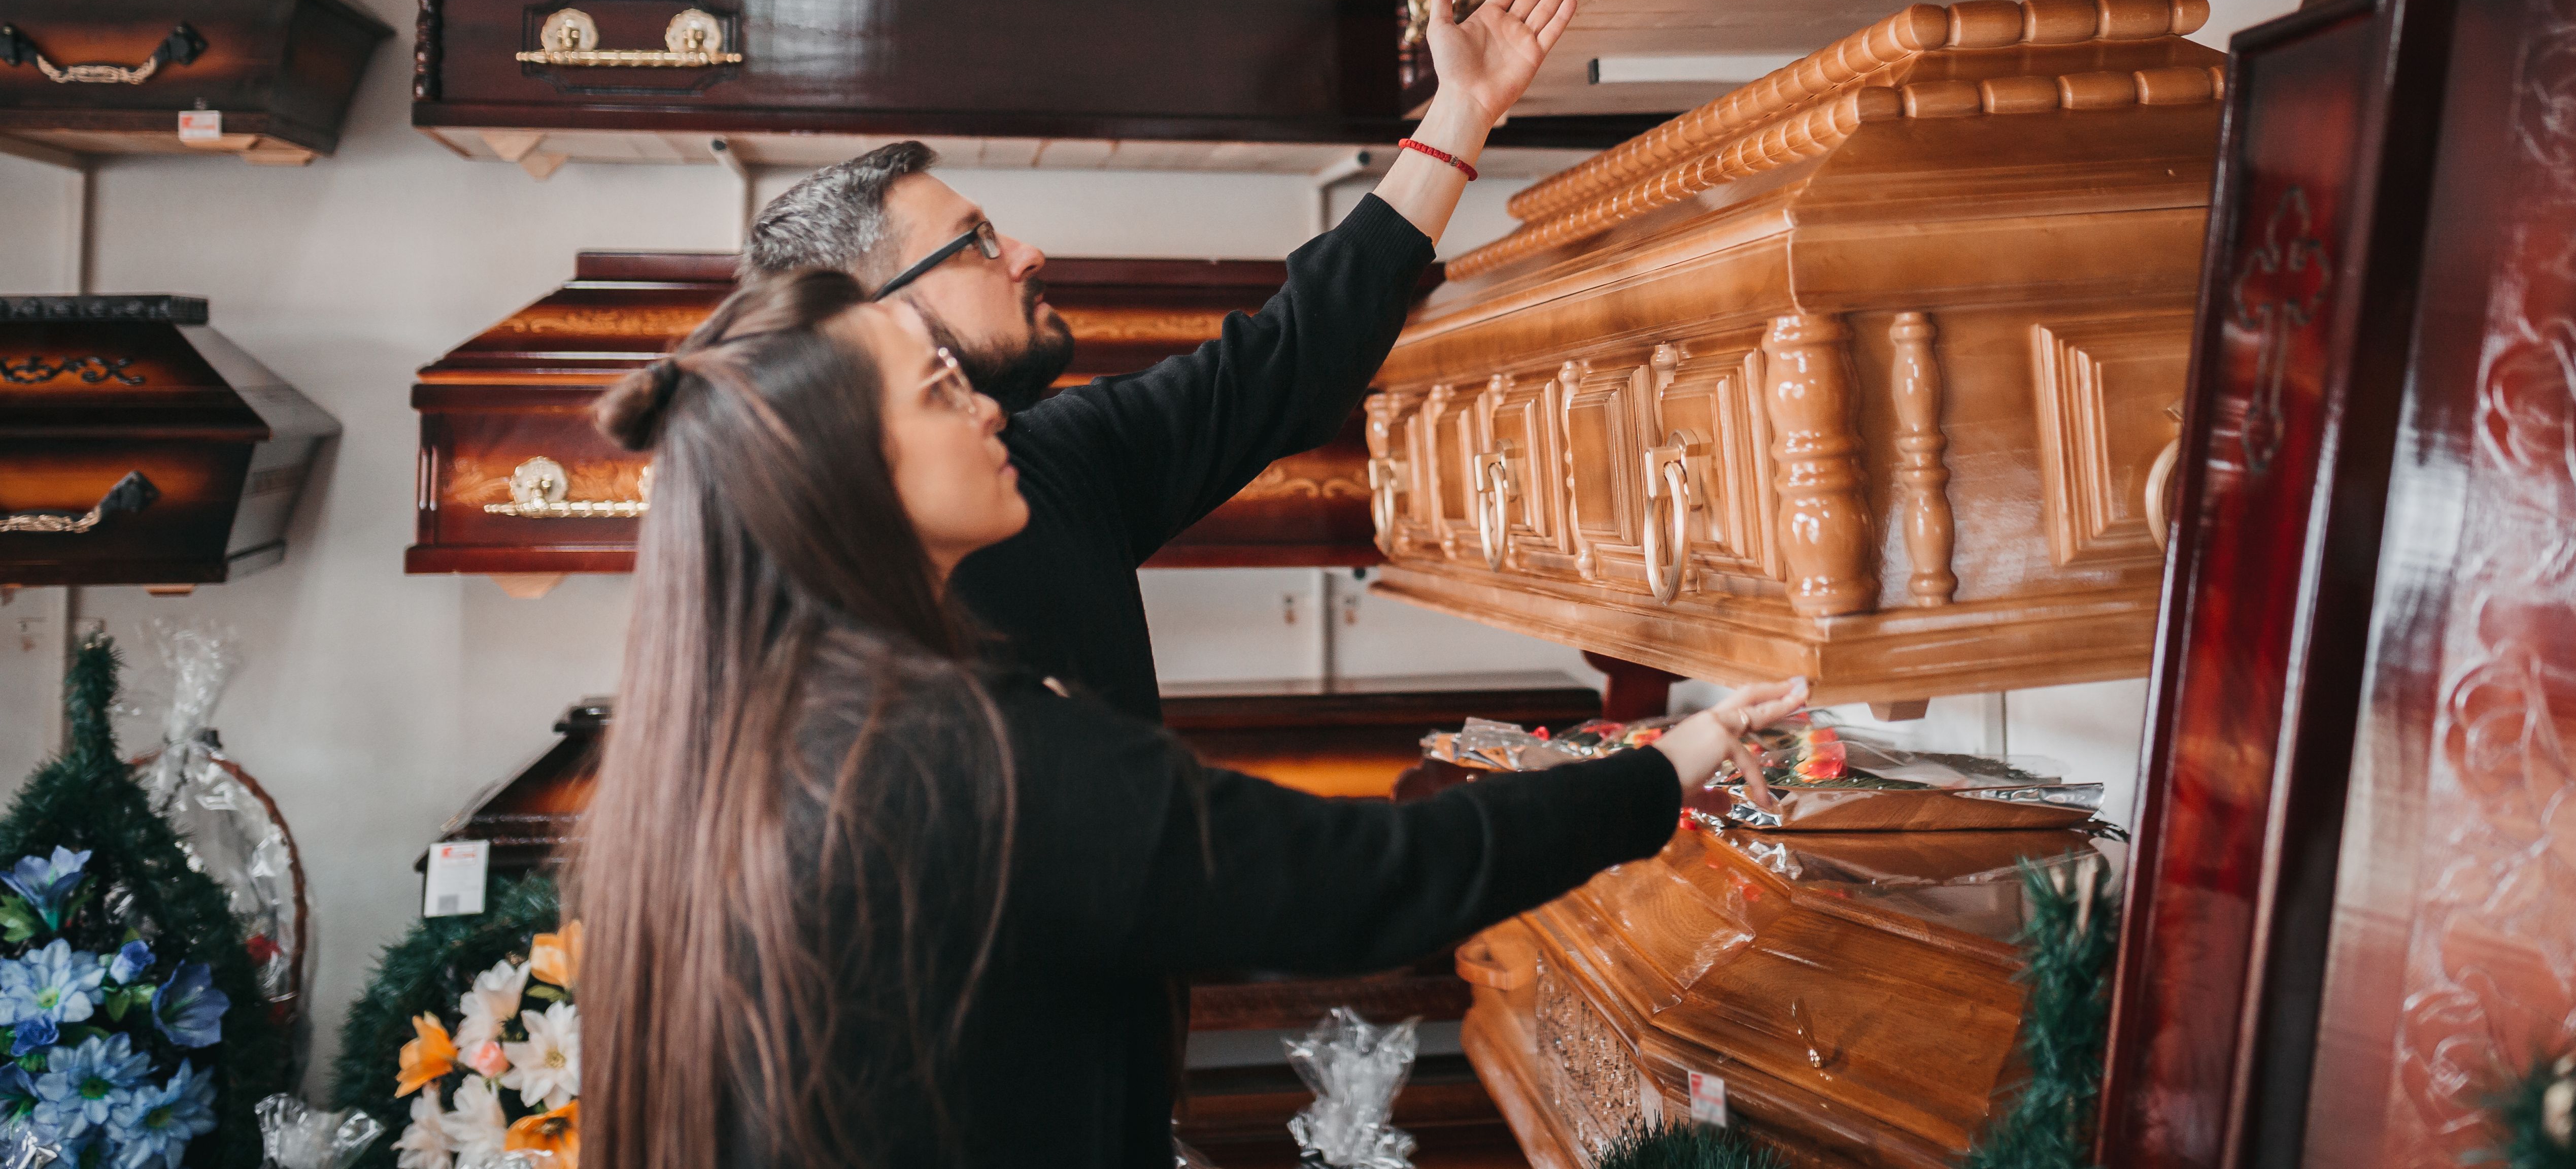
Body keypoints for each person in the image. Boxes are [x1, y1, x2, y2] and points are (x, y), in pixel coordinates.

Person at [572, 268, 1804, 1169]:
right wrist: (1675, 761)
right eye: (941, 392)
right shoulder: (965, 752)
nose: (992, 410)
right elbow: (1369, 882)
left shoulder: (756, 728)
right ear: (855, 481)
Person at [737, 0, 1582, 724]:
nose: (1028, 255)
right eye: (978, 243)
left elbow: (1291, 360)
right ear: (871, 318)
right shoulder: (816, 622)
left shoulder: (1055, 457)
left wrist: (1463, 110)